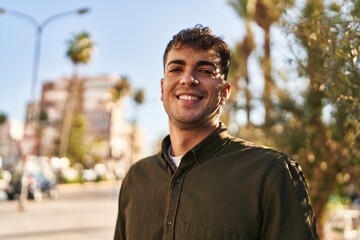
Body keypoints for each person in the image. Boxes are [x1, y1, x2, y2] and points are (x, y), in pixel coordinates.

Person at [114, 24, 319, 240]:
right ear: (162, 88)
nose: (188, 79)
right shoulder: (136, 178)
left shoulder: (272, 174)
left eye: (205, 71)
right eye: (176, 69)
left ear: (224, 92)